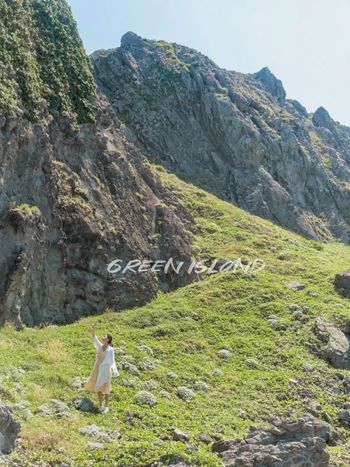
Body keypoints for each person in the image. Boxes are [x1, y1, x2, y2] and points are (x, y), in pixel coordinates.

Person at [85, 321, 118, 413]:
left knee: (106, 387)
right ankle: (101, 405)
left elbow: (111, 361)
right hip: (97, 368)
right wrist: (93, 327)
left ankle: (106, 406)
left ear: (108, 340)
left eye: (105, 336)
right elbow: (94, 338)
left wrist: (109, 367)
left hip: (105, 369)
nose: (103, 337)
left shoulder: (110, 349)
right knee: (98, 386)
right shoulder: (100, 346)